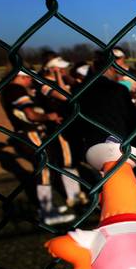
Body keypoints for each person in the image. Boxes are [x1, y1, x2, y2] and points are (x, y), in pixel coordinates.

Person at [75, 52, 136, 225]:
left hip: (94, 145)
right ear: (111, 68)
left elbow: (75, 121)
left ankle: (112, 217)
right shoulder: (118, 89)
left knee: (107, 183)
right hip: (123, 141)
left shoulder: (79, 91)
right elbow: (132, 117)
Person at [0, 70, 75, 225]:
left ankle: (47, 208)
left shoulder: (14, 89)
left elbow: (62, 96)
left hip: (32, 134)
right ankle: (47, 211)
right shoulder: (15, 89)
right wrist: (48, 117)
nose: (30, 81)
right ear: (20, 77)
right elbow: (31, 115)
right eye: (28, 77)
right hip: (30, 133)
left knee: (46, 168)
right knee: (45, 169)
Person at [36, 52, 88, 208]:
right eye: (59, 68)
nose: (64, 71)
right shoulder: (44, 83)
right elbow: (63, 96)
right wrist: (58, 75)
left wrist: (62, 76)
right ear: (52, 68)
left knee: (73, 158)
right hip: (58, 127)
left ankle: (77, 192)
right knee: (67, 160)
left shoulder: (62, 80)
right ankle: (72, 196)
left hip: (69, 124)